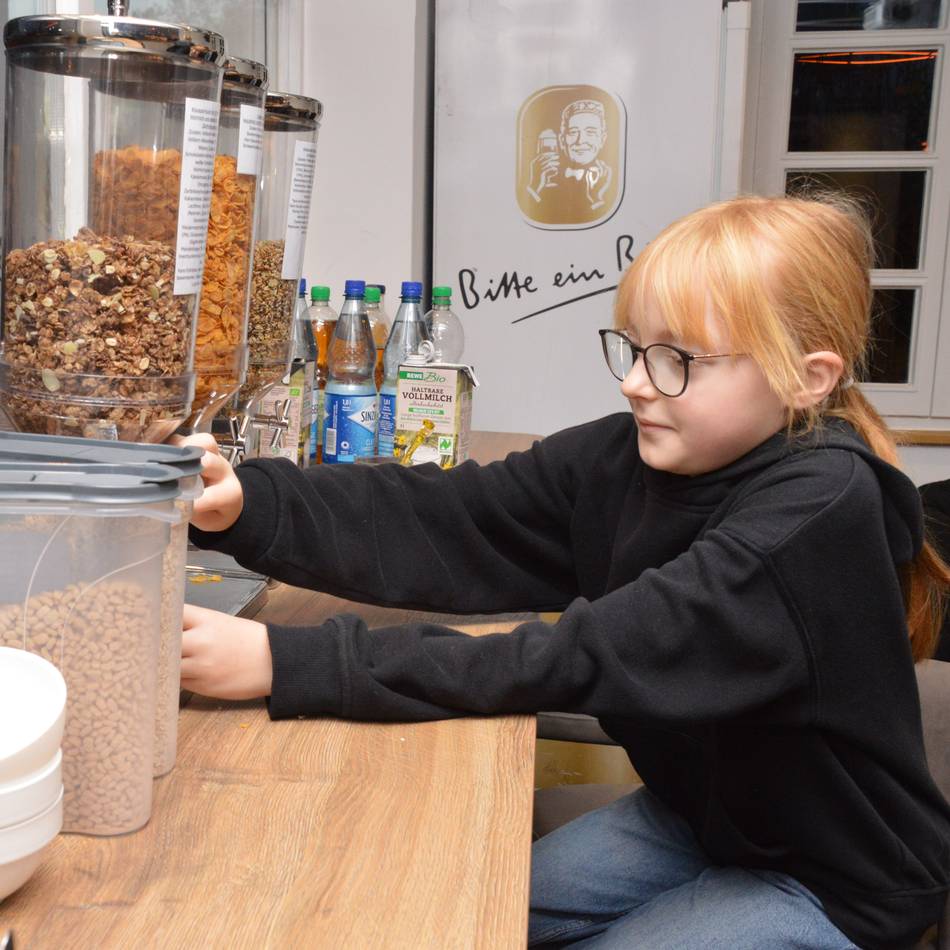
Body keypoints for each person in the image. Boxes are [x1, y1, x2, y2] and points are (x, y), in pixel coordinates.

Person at [180, 194, 950, 949]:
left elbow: (590, 653)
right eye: (634, 347)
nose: (636, 382)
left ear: (808, 378)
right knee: (454, 911)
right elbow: (454, 516)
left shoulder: (817, 514)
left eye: (679, 360)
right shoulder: (628, 456)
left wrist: (288, 662)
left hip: (833, 878)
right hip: (699, 819)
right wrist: (250, 504)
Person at [526, 98, 613, 220]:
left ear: (602, 139)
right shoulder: (543, 182)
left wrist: (597, 199)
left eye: (590, 132)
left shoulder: (609, 184)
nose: (580, 140)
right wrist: (533, 188)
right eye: (573, 132)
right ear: (562, 140)